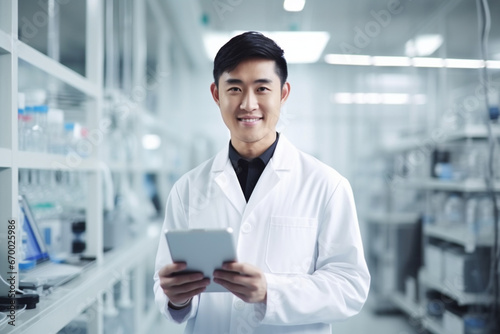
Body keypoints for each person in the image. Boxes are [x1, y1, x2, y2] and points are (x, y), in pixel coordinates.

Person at [153, 31, 370, 334]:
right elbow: (164, 281)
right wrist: (175, 299)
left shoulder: (327, 185)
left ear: (283, 93)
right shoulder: (188, 189)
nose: (248, 104)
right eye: (235, 88)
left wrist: (271, 291)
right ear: (217, 94)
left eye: (262, 88)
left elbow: (350, 286)